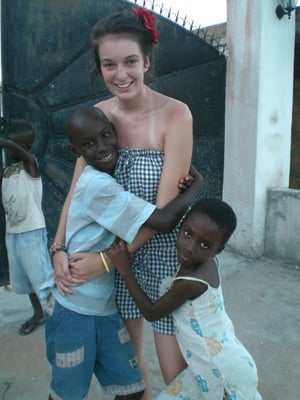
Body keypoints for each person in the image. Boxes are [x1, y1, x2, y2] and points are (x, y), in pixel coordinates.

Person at [52, 6, 194, 398]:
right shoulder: (98, 117)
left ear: (146, 60)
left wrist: (102, 262)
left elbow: (163, 212)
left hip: (162, 258)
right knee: (129, 376)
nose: (121, 74)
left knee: (175, 373)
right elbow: (76, 189)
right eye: (109, 65)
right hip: (117, 265)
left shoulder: (175, 116)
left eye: (130, 61)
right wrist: (58, 247)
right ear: (100, 69)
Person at [45, 105, 203, 400]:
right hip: (75, 311)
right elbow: (164, 221)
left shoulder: (107, 175)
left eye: (106, 136)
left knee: (132, 389)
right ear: (74, 150)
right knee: (67, 393)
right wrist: (197, 186)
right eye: (89, 143)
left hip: (104, 308)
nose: (103, 147)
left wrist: (60, 247)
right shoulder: (97, 185)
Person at [107, 198, 262, 400]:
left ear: (218, 250)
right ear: (180, 227)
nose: (190, 247)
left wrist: (125, 269)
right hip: (223, 361)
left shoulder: (191, 282)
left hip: (222, 369)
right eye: (188, 234)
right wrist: (194, 179)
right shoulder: (205, 263)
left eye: (204, 244)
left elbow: (152, 313)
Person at [0, 122, 53, 335]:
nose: (9, 149)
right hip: (12, 234)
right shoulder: (8, 171)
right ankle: (39, 313)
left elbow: (27, 157)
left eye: (13, 145)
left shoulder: (31, 166)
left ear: (26, 146)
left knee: (42, 279)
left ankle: (55, 314)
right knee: (26, 280)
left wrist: (5, 141)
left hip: (31, 232)